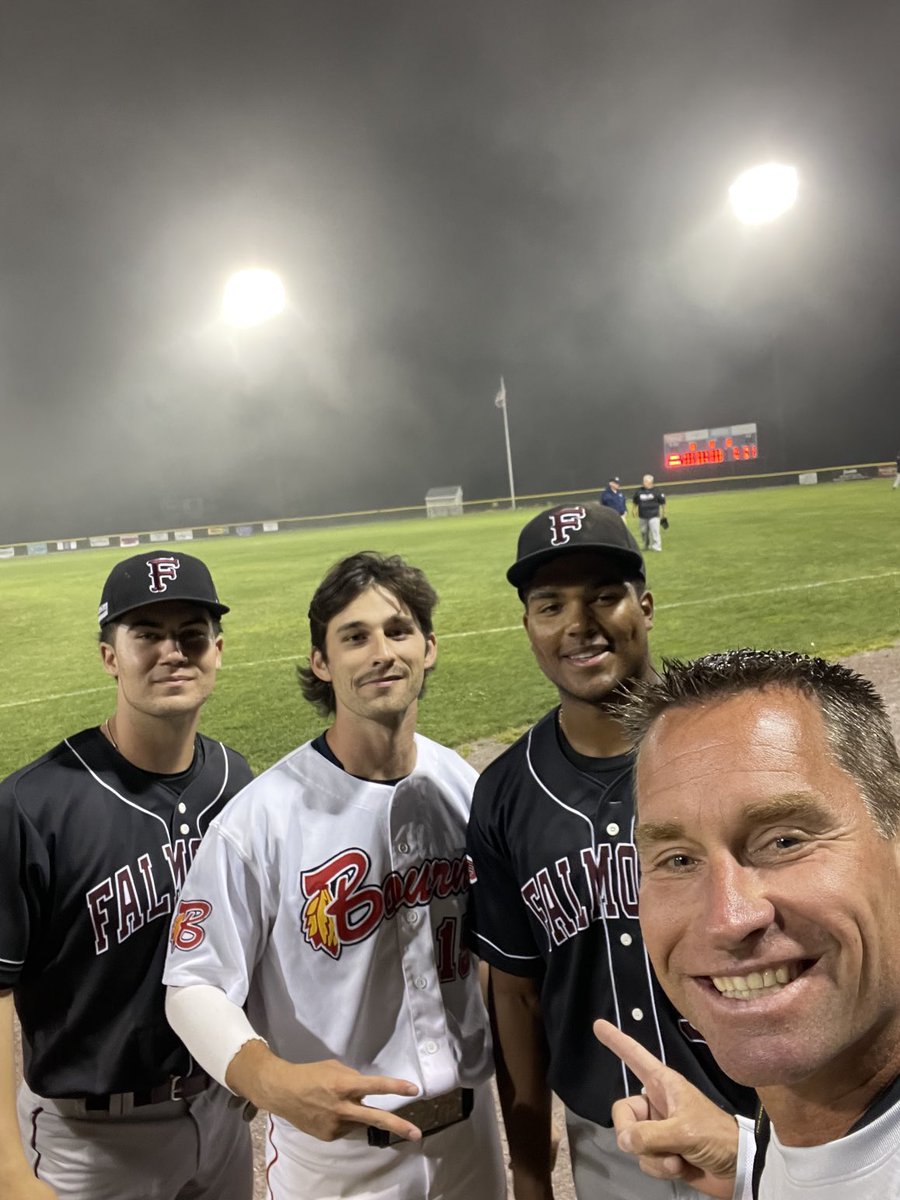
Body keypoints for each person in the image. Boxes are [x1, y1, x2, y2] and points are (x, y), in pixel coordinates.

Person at [164, 551, 504, 1200]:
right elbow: (193, 982)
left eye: (398, 631)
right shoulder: (260, 818)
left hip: (472, 1139)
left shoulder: (464, 785)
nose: (381, 652)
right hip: (341, 1159)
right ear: (322, 663)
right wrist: (269, 1081)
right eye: (355, 637)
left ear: (429, 648)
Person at [464, 503, 753, 1200]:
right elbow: (516, 995)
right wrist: (531, 1172)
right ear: (527, 625)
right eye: (550, 604)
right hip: (611, 1150)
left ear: (644, 605)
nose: (578, 623)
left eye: (602, 595)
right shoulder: (506, 794)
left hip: (765, 1126)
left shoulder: (733, 743)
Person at [594, 648, 900, 1199]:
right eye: (678, 859)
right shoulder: (809, 1127)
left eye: (785, 841)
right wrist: (752, 1165)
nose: (727, 919)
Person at [0, 551, 254, 1200]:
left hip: (222, 1119)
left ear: (218, 651)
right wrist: (8, 1171)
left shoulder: (239, 784)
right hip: (91, 1143)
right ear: (110, 655)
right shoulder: (33, 805)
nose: (173, 651)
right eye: (146, 634)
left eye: (191, 634)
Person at [631, 475, 666, 552]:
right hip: (642, 515)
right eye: (643, 481)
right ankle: (646, 545)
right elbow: (635, 501)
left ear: (650, 482)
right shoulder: (639, 491)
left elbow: (663, 503)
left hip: (654, 515)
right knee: (643, 532)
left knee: (655, 531)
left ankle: (657, 547)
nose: (643, 483)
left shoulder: (657, 491)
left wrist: (664, 513)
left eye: (645, 481)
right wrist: (633, 510)